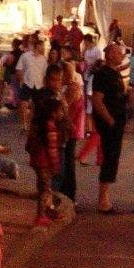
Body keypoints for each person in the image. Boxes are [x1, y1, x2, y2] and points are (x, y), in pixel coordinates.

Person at [88, 42, 130, 213]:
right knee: (109, 158)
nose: (122, 56)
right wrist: (110, 121)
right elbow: (97, 100)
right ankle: (103, 199)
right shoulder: (103, 74)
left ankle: (105, 197)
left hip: (117, 122)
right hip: (109, 124)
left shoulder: (116, 73)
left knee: (113, 158)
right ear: (110, 55)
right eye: (119, 53)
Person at [25, 63, 67, 226]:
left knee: (44, 186)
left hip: (41, 151)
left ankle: (47, 210)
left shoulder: (54, 96)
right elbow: (51, 147)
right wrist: (55, 164)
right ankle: (41, 214)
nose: (56, 83)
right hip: (44, 153)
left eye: (59, 80)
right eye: (54, 80)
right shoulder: (47, 106)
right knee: (45, 186)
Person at [55, 50, 85, 203]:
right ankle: (67, 194)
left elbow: (65, 110)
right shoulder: (70, 87)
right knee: (66, 162)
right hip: (70, 128)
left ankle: (68, 195)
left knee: (67, 163)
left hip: (70, 130)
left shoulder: (73, 88)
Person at [15, 37, 49, 128]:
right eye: (42, 46)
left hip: (39, 84)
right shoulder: (25, 56)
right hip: (27, 83)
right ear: (37, 46)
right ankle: (24, 123)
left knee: (36, 106)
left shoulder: (43, 59)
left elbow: (45, 74)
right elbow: (19, 69)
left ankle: (31, 123)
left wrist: (45, 85)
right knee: (24, 104)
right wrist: (22, 80)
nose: (43, 48)